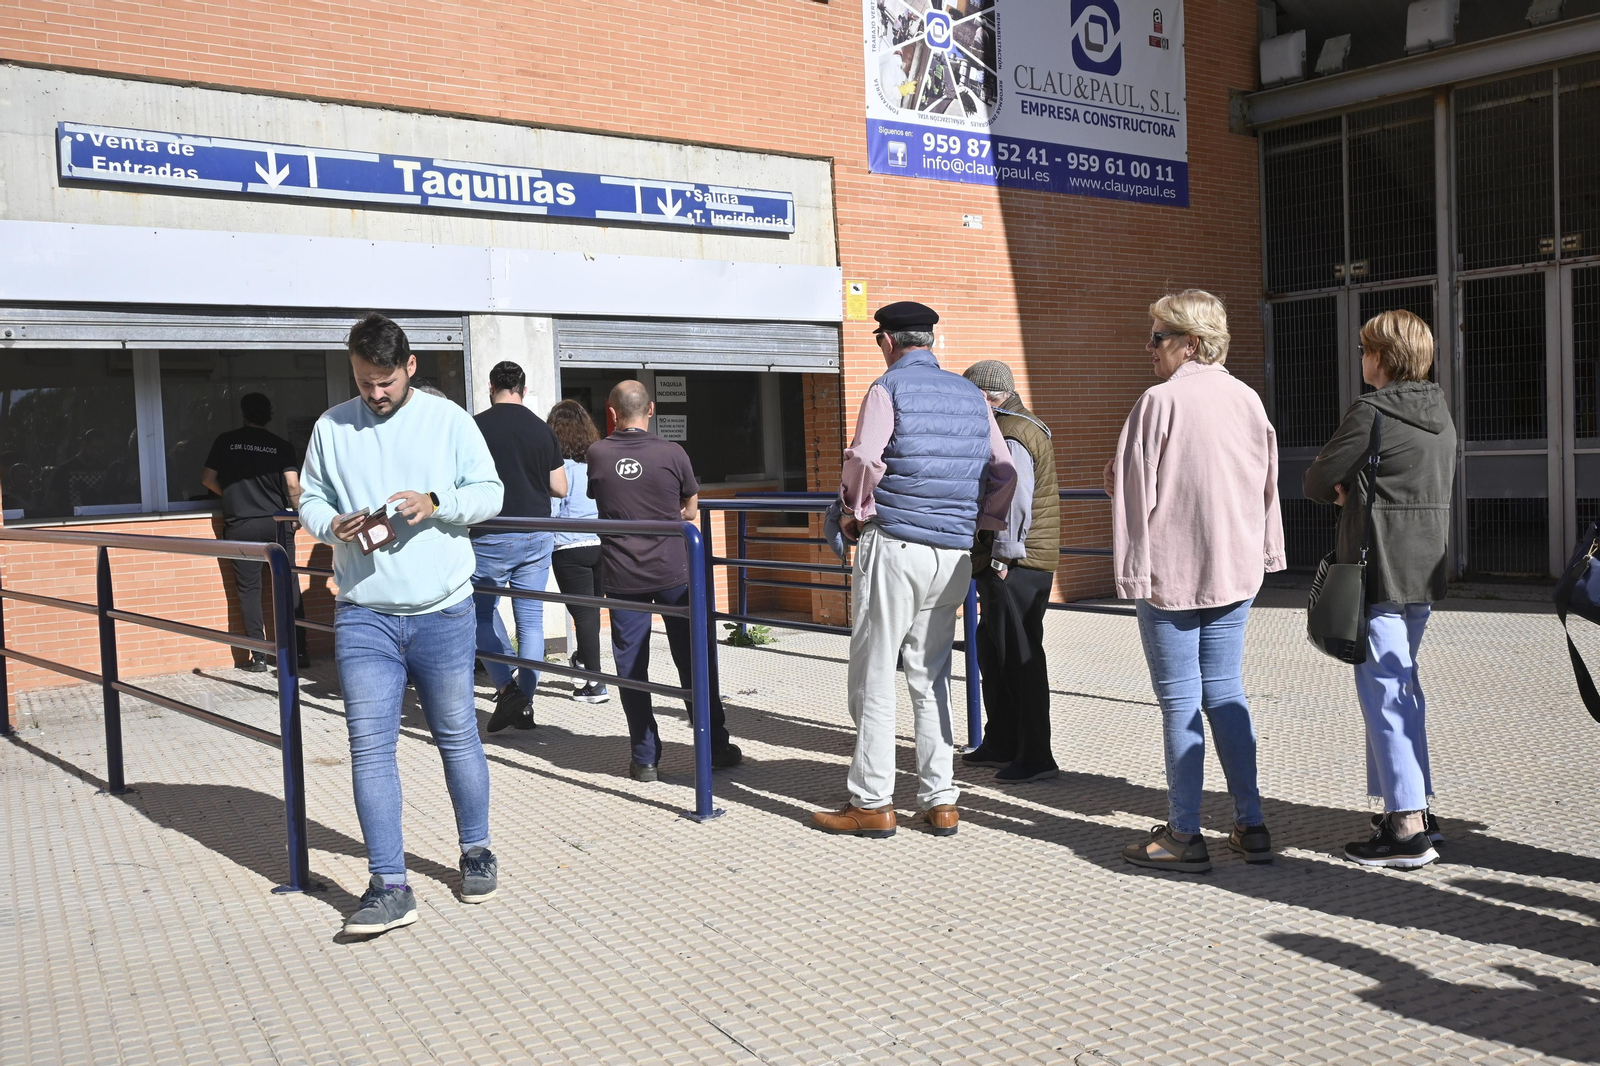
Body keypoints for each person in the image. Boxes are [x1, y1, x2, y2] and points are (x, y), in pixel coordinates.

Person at [298, 312, 505, 936]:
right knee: (369, 748)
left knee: (457, 736)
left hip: (444, 611)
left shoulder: (449, 421)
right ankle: (389, 884)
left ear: (410, 367)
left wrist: (437, 503)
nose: (375, 393)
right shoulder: (331, 427)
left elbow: (490, 493)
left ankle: (476, 850)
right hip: (364, 613)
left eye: (385, 381)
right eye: (364, 382)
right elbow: (308, 498)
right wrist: (330, 524)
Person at [811, 301, 1016, 839]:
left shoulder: (888, 389)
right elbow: (1004, 470)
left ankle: (873, 801)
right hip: (952, 552)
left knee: (875, 672)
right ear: (930, 341)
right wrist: (981, 521)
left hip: (896, 542)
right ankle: (942, 799)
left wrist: (854, 513)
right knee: (931, 676)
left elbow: (863, 460)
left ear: (888, 341)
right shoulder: (973, 396)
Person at [1108, 289, 1285, 873]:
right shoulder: (1247, 399)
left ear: (1190, 343)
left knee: (1181, 702)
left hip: (1171, 575)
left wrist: (1132, 574)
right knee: (1226, 693)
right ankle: (1251, 822)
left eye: (1158, 336)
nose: (1148, 347)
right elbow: (1267, 487)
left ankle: (1184, 832)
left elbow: (1135, 494)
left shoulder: (1159, 403)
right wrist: (1268, 551)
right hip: (1235, 572)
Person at [1304, 310, 1456, 869]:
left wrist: (1347, 490)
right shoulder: (1440, 413)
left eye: (1367, 349)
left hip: (1377, 570)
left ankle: (1408, 831)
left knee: (1388, 695)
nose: (1362, 358)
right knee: (1401, 688)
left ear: (1384, 358)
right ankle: (1410, 806)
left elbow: (1318, 479)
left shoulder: (1371, 412)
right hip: (1423, 571)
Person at [586, 380, 742, 780]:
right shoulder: (672, 452)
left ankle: (644, 757)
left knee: (630, 667)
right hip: (674, 569)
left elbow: (599, 498)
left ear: (612, 412)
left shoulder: (598, 453)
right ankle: (714, 745)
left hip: (623, 575)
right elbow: (691, 508)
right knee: (693, 658)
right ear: (651, 409)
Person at [959, 359, 1061, 783]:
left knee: (1020, 657)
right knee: (993, 648)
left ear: (984, 396)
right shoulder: (1011, 425)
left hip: (1015, 562)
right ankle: (1000, 740)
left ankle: (1035, 755)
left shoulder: (1013, 431)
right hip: (1010, 560)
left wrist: (1001, 555)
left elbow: (1015, 497)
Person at [471, 361, 568, 732]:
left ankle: (508, 691)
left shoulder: (475, 427)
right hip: (537, 532)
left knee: (479, 614)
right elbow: (561, 487)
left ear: (491, 386)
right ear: (523, 391)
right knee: (530, 624)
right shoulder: (542, 430)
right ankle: (524, 704)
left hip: (490, 534)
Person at [201, 393, 309, 671]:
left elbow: (207, 479)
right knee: (288, 585)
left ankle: (259, 657)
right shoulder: (280, 446)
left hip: (241, 524)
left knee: (249, 591)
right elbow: (293, 486)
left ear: (243, 413)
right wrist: (297, 514)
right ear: (269, 414)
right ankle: (298, 653)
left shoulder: (226, 441)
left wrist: (232, 496)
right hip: (277, 523)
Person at [547, 399, 608, 704]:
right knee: (591, 612)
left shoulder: (559, 468)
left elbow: (553, 509)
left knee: (582, 615)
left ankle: (595, 685)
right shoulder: (595, 462)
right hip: (599, 543)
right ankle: (584, 658)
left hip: (569, 545)